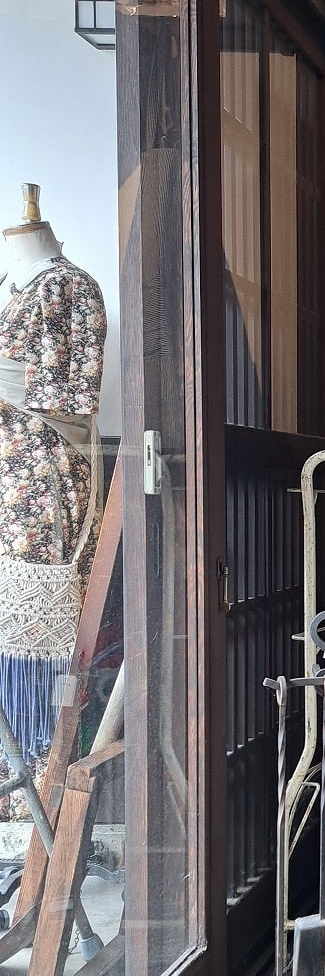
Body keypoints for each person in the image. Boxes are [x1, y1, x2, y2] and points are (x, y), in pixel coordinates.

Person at [0, 185, 105, 814]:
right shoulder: (9, 286)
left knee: (39, 628)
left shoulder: (70, 288)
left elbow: (70, 398)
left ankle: (40, 782)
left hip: (41, 476)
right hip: (9, 471)